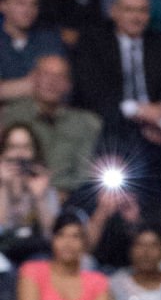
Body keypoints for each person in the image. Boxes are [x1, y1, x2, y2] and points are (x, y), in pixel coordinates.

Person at [71, 0, 161, 226]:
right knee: (119, 127)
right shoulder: (94, 39)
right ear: (114, 11)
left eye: (142, 10)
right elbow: (91, 91)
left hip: (156, 119)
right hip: (112, 116)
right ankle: (123, 213)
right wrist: (139, 112)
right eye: (129, 10)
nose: (136, 17)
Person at [3, 55, 101, 196]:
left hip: (68, 199)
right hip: (16, 198)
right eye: (46, 74)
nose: (52, 82)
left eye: (60, 76)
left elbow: (84, 176)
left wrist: (55, 194)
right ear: (33, 78)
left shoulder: (86, 123)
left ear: (69, 84)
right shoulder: (10, 116)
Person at [0, 120, 59, 263]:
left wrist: (39, 198)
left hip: (35, 253)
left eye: (26, 147)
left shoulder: (43, 186)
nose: (19, 154)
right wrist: (4, 187)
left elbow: (52, 235)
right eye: (13, 147)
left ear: (34, 153)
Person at [0, 0, 60, 102]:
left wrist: (9, 87)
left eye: (34, 4)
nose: (28, 10)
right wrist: (39, 83)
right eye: (20, 3)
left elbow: (61, 87)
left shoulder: (49, 39)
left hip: (45, 115)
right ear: (3, 5)